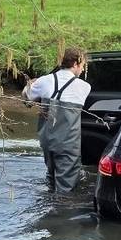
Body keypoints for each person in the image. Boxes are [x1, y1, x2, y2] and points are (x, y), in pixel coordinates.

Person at [22, 47, 91, 194]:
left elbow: (26, 98)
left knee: (51, 176)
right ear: (75, 64)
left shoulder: (44, 81)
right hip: (67, 143)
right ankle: (60, 215)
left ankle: (48, 203)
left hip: (46, 140)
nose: (83, 69)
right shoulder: (85, 87)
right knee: (66, 188)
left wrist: (32, 84)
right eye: (83, 65)